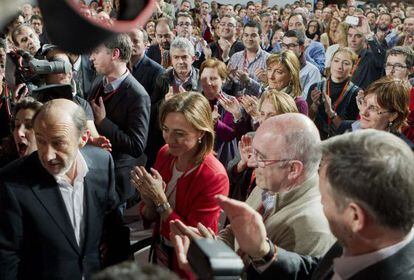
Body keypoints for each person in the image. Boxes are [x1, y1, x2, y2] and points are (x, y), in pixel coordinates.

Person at [212, 128, 414, 280]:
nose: (320, 206)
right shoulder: (364, 239)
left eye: (324, 199)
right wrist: (263, 251)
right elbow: (315, 271)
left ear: (355, 217)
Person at [171, 113, 336, 275]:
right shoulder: (272, 181)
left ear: (293, 169)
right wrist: (211, 246)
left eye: (261, 157)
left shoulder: (313, 227)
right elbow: (235, 232)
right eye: (254, 153)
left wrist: (215, 269)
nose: (253, 162)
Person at [0, 99, 125, 279]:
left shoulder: (103, 163)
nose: (48, 155)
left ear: (83, 139)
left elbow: (114, 229)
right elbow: (7, 257)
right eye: (41, 141)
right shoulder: (11, 181)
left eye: (58, 143)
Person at [131, 92, 229, 279]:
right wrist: (148, 201)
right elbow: (151, 216)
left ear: (201, 132)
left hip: (188, 265)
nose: (169, 140)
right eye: (166, 129)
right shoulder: (165, 153)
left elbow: (192, 239)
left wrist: (160, 201)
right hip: (160, 252)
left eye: (179, 134)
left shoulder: (213, 176)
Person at [89, 33, 151, 204]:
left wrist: (103, 123)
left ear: (115, 54)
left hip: (117, 180)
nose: (91, 57)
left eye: (96, 52)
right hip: (95, 171)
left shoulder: (138, 95)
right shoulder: (97, 82)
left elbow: (136, 146)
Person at [337, 76, 413, 149]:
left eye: (373, 108)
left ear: (393, 115)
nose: (363, 112)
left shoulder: (405, 150)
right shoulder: (344, 128)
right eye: (364, 102)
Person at [308, 47, 360, 139]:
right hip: (317, 140)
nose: (339, 66)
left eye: (346, 63)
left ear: (352, 68)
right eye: (336, 61)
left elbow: (351, 130)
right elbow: (307, 120)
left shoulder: (356, 93)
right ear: (330, 62)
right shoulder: (316, 88)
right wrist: (314, 105)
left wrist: (331, 113)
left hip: (340, 144)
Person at [280, 30, 322, 99]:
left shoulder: (312, 71)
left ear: (301, 48)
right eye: (283, 45)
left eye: (291, 45)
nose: (286, 49)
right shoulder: (277, 66)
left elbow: (305, 101)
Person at [384, 46, 414, 142]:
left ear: (410, 70)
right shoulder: (377, 94)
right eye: (388, 65)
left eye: (398, 66)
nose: (391, 70)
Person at [265, 51, 308, 115]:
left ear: (291, 75)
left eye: (278, 72)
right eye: (269, 69)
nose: (271, 76)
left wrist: (257, 116)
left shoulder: (298, 104)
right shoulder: (263, 96)